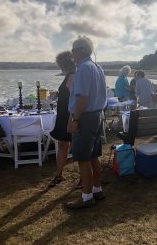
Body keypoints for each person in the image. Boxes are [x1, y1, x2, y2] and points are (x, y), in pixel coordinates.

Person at [66, 36, 107, 209]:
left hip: (86, 117)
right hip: (98, 116)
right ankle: (97, 190)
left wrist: (74, 119)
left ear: (81, 50)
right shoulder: (97, 67)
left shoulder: (83, 68)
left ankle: (86, 197)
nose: (71, 54)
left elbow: (82, 98)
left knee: (83, 159)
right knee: (93, 157)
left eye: (73, 50)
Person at [48, 51, 76, 188]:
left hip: (69, 115)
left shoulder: (73, 75)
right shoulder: (70, 75)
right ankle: (58, 174)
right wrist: (58, 93)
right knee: (63, 145)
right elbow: (68, 92)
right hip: (64, 115)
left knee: (72, 145)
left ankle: (83, 178)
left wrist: (73, 118)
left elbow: (75, 96)